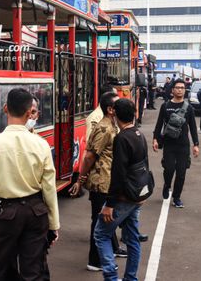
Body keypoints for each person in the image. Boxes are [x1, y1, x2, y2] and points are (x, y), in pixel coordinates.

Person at [0, 88, 59, 280]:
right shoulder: (41, 144)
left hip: (4, 213)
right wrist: (53, 224)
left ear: (5, 108)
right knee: (34, 271)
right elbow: (49, 188)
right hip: (36, 213)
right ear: (30, 112)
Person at [70, 91, 126, 271]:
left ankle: (106, 254)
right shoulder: (104, 128)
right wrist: (80, 179)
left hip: (108, 180)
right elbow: (88, 157)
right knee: (99, 221)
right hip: (101, 181)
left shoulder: (112, 125)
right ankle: (95, 260)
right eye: (117, 105)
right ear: (110, 109)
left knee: (105, 221)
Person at [94, 98, 148, 281]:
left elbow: (118, 174)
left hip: (124, 197)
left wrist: (109, 204)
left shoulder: (121, 138)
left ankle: (111, 276)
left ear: (115, 115)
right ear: (134, 114)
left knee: (101, 234)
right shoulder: (139, 135)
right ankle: (131, 278)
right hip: (137, 195)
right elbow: (144, 167)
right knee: (132, 238)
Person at [153, 78, 199, 208]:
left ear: (185, 90)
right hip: (169, 144)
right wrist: (155, 139)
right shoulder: (166, 106)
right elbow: (159, 124)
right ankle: (167, 185)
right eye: (177, 87)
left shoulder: (188, 108)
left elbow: (193, 127)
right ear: (172, 90)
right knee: (169, 169)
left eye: (182, 88)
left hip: (183, 144)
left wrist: (196, 144)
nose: (180, 90)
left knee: (181, 172)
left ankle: (177, 197)